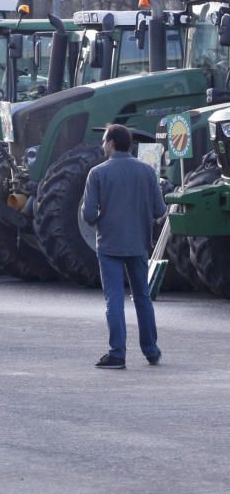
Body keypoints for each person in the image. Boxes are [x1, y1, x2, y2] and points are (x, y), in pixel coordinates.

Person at [82, 124, 166, 369]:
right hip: (139, 243)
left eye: (103, 141)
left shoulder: (97, 173)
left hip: (109, 244)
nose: (102, 145)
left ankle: (117, 353)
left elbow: (88, 214)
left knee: (114, 300)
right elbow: (160, 211)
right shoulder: (147, 172)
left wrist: (101, 219)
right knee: (142, 297)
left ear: (111, 143)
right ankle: (151, 350)